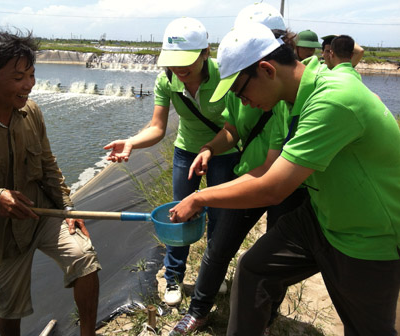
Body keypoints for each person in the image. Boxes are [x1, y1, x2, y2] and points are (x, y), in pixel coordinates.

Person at [170, 22, 400, 336]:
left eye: (241, 91)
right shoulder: (294, 96)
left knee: (365, 329)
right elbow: (268, 171)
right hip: (322, 214)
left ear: (266, 69)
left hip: (369, 233)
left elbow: (274, 188)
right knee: (254, 269)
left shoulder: (332, 100)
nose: (244, 102)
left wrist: (199, 197)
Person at [0, 31, 101, 336]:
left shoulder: (30, 111)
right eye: (19, 77)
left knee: (84, 260)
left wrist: (68, 208)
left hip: (43, 215)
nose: (29, 85)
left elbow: (47, 165)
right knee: (9, 309)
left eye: (31, 75)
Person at [169, 4, 307, 335]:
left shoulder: (287, 101)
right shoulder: (241, 86)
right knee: (218, 248)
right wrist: (209, 149)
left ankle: (268, 316)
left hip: (283, 185)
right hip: (248, 174)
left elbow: (273, 174)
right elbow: (234, 128)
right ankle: (198, 310)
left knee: (273, 256)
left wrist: (202, 197)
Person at [103, 17, 240, 306]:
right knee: (179, 215)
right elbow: (157, 128)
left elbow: (235, 128)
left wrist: (210, 150)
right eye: (174, 61)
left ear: (205, 52)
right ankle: (174, 276)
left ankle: (213, 273)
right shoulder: (167, 80)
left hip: (224, 152)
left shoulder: (226, 76)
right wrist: (131, 142)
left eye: (187, 61)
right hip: (186, 151)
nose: (180, 68)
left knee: (219, 216)